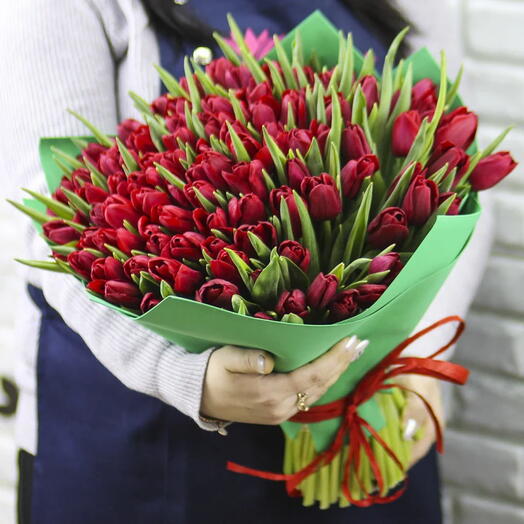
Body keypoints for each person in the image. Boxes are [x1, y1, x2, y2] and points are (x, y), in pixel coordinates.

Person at [0, 1, 493, 522]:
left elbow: (455, 161)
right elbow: (50, 214)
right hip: (144, 430)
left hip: (371, 406)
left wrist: (418, 354)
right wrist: (180, 373)